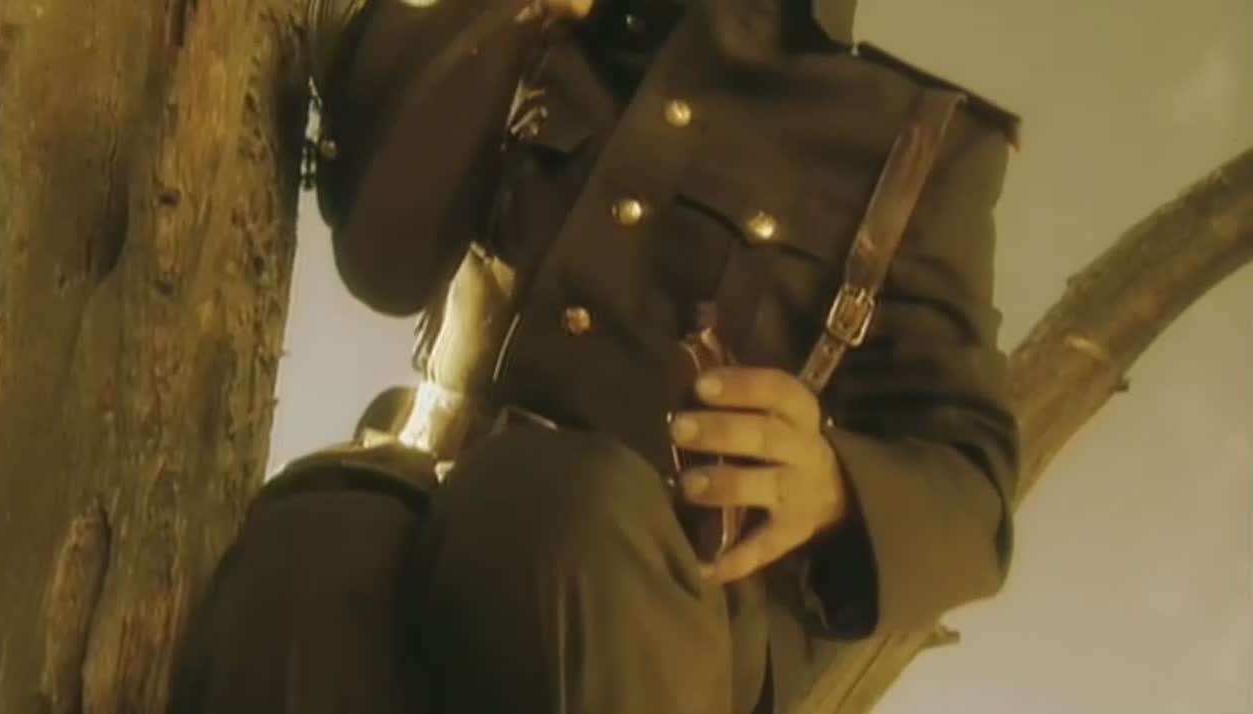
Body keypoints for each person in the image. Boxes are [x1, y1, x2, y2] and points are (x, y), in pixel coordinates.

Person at [167, 1, 1022, 713]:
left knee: (554, 509)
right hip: (426, 497)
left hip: (647, 601)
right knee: (313, 547)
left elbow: (973, 487)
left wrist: (833, 487)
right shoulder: (556, 29)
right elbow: (382, 260)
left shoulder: (914, 137)